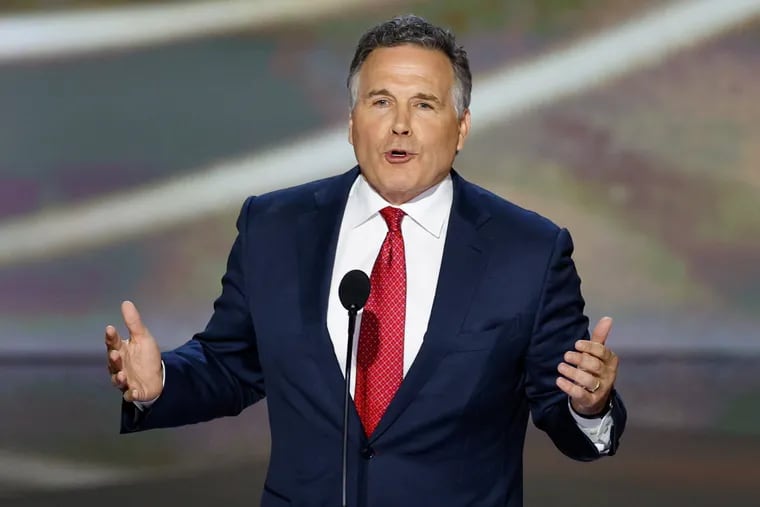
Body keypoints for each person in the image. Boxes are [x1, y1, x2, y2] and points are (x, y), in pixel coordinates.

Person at [105, 14, 625, 507]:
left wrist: (590, 405)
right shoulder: (274, 227)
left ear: (461, 127)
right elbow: (232, 363)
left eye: (424, 104)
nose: (400, 125)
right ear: (351, 122)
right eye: (380, 102)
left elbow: (564, 408)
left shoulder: (529, 249)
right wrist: (163, 382)